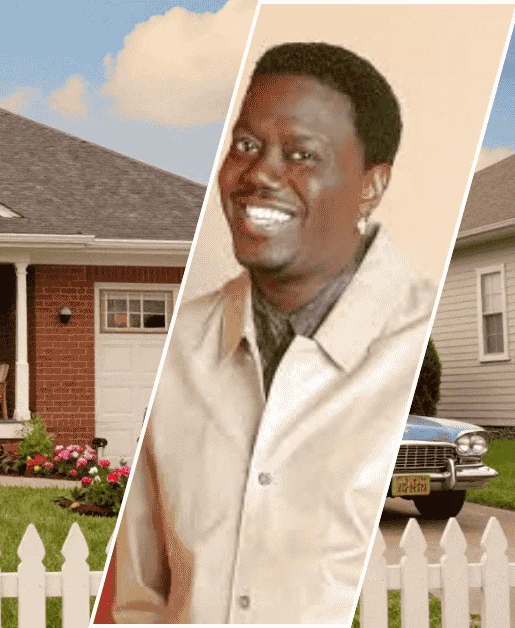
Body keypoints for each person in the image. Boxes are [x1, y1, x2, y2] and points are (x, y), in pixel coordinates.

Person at [109, 42, 436, 624]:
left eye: (302, 154)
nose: (258, 173)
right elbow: (140, 592)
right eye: (246, 145)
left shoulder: (410, 346)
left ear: (371, 185)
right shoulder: (180, 348)